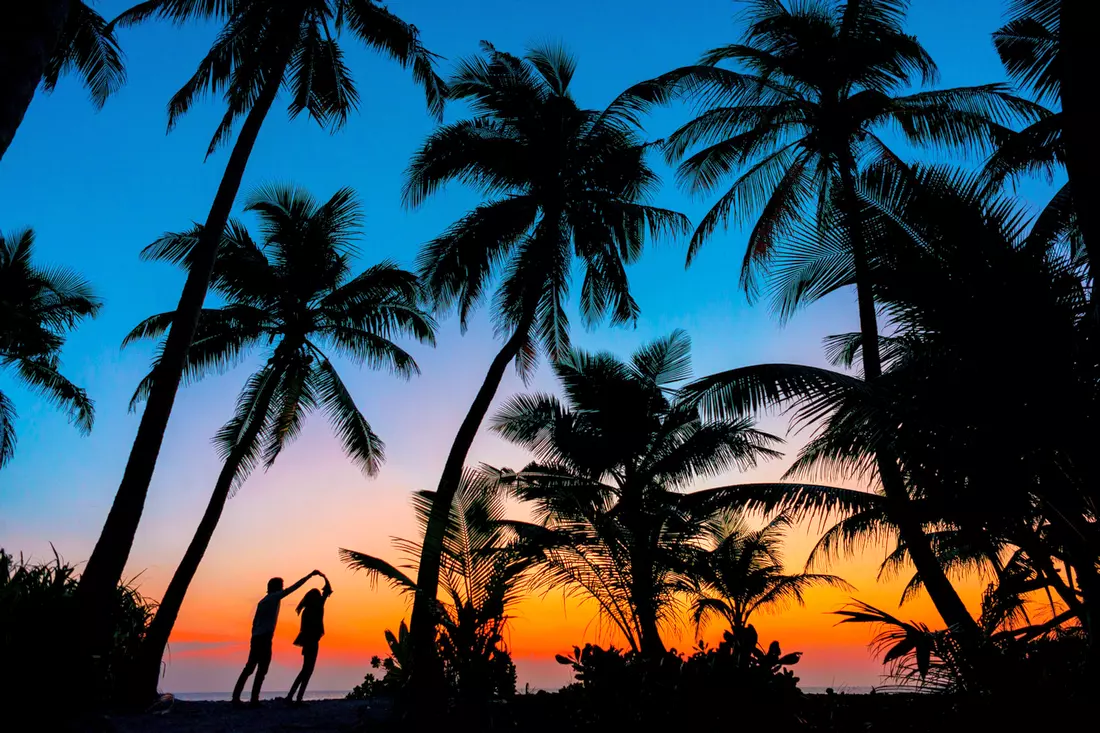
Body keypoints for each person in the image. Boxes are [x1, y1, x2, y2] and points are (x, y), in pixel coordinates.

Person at [232, 570, 322, 707]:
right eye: (281, 586)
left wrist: (255, 635)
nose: (283, 588)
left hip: (257, 637)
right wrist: (309, 576)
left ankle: (238, 697)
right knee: (261, 669)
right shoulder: (274, 598)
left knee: (250, 667)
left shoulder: (262, 601)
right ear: (276, 587)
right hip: (264, 638)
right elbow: (294, 588)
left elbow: (254, 622)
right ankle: (252, 699)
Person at [286, 574, 334, 705]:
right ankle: (296, 697)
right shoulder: (317, 608)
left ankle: (292, 696)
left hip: (308, 642)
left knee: (305, 670)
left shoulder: (307, 611)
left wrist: (322, 577)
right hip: (312, 642)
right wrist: (324, 577)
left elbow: (327, 592)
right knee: (308, 670)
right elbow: (328, 591)